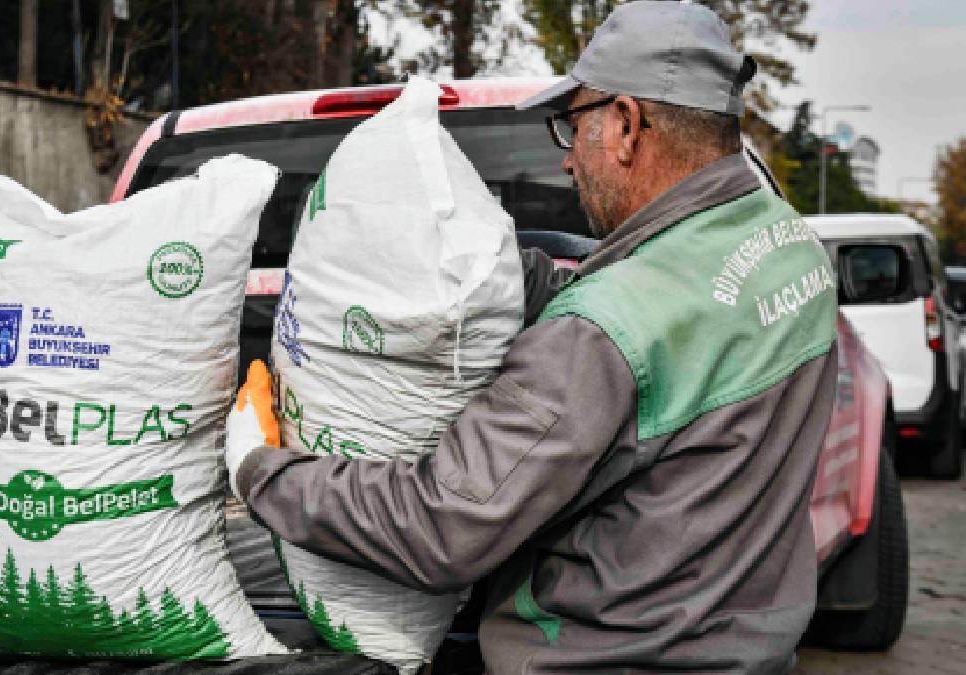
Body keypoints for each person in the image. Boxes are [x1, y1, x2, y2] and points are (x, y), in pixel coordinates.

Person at [224, 1, 838, 672]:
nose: (570, 159)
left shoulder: (597, 336)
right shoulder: (784, 245)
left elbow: (442, 526)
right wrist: (492, 269)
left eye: (572, 126)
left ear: (628, 126)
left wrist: (261, 472)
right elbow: (667, 308)